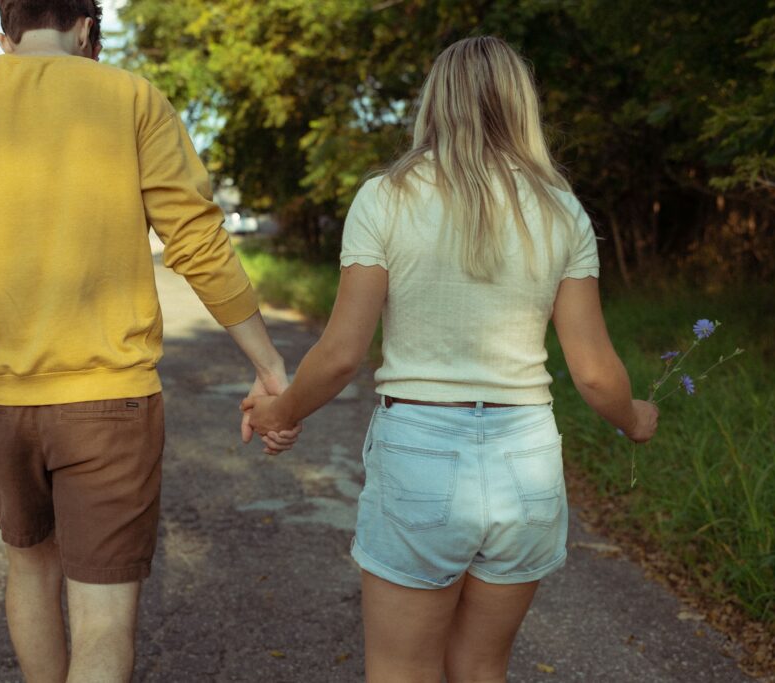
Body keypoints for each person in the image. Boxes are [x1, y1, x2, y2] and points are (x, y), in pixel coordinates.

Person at [243, 36, 659, 683]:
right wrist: (634, 417)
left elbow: (340, 354)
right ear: (521, 107)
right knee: (480, 666)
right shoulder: (561, 210)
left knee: (401, 670)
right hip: (527, 460)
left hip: (420, 456)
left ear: (435, 103)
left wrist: (278, 410)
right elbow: (597, 374)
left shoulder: (386, 198)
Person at [0, 1, 296, 681]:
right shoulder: (130, 96)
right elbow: (197, 240)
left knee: (29, 565)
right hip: (108, 396)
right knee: (103, 616)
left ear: (7, 31)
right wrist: (269, 365)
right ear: (87, 29)